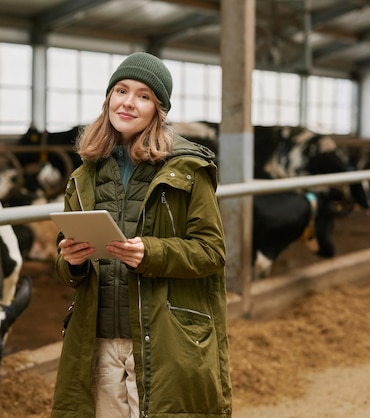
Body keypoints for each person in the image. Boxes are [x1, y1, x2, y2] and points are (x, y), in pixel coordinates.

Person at [50, 51, 232, 418]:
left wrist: (150, 253)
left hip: (164, 340)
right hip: (98, 342)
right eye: (121, 90)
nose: (128, 103)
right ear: (108, 99)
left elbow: (212, 251)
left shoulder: (187, 170)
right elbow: (68, 269)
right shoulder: (84, 176)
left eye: (143, 96)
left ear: (158, 110)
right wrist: (71, 261)